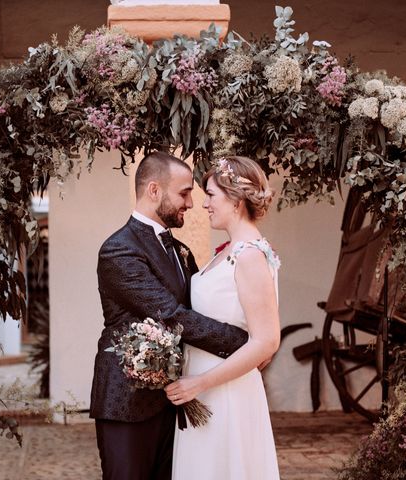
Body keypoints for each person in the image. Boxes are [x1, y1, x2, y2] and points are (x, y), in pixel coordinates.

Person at [90, 151, 249, 480]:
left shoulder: (179, 249)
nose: (191, 204)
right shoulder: (119, 249)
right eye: (184, 192)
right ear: (153, 190)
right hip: (127, 402)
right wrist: (245, 343)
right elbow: (174, 316)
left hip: (171, 400)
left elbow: (196, 307)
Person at [166, 155, 281, 479]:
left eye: (212, 195)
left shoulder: (250, 256)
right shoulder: (231, 251)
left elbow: (267, 339)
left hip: (224, 391)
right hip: (204, 385)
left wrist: (200, 382)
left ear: (235, 199)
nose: (205, 204)